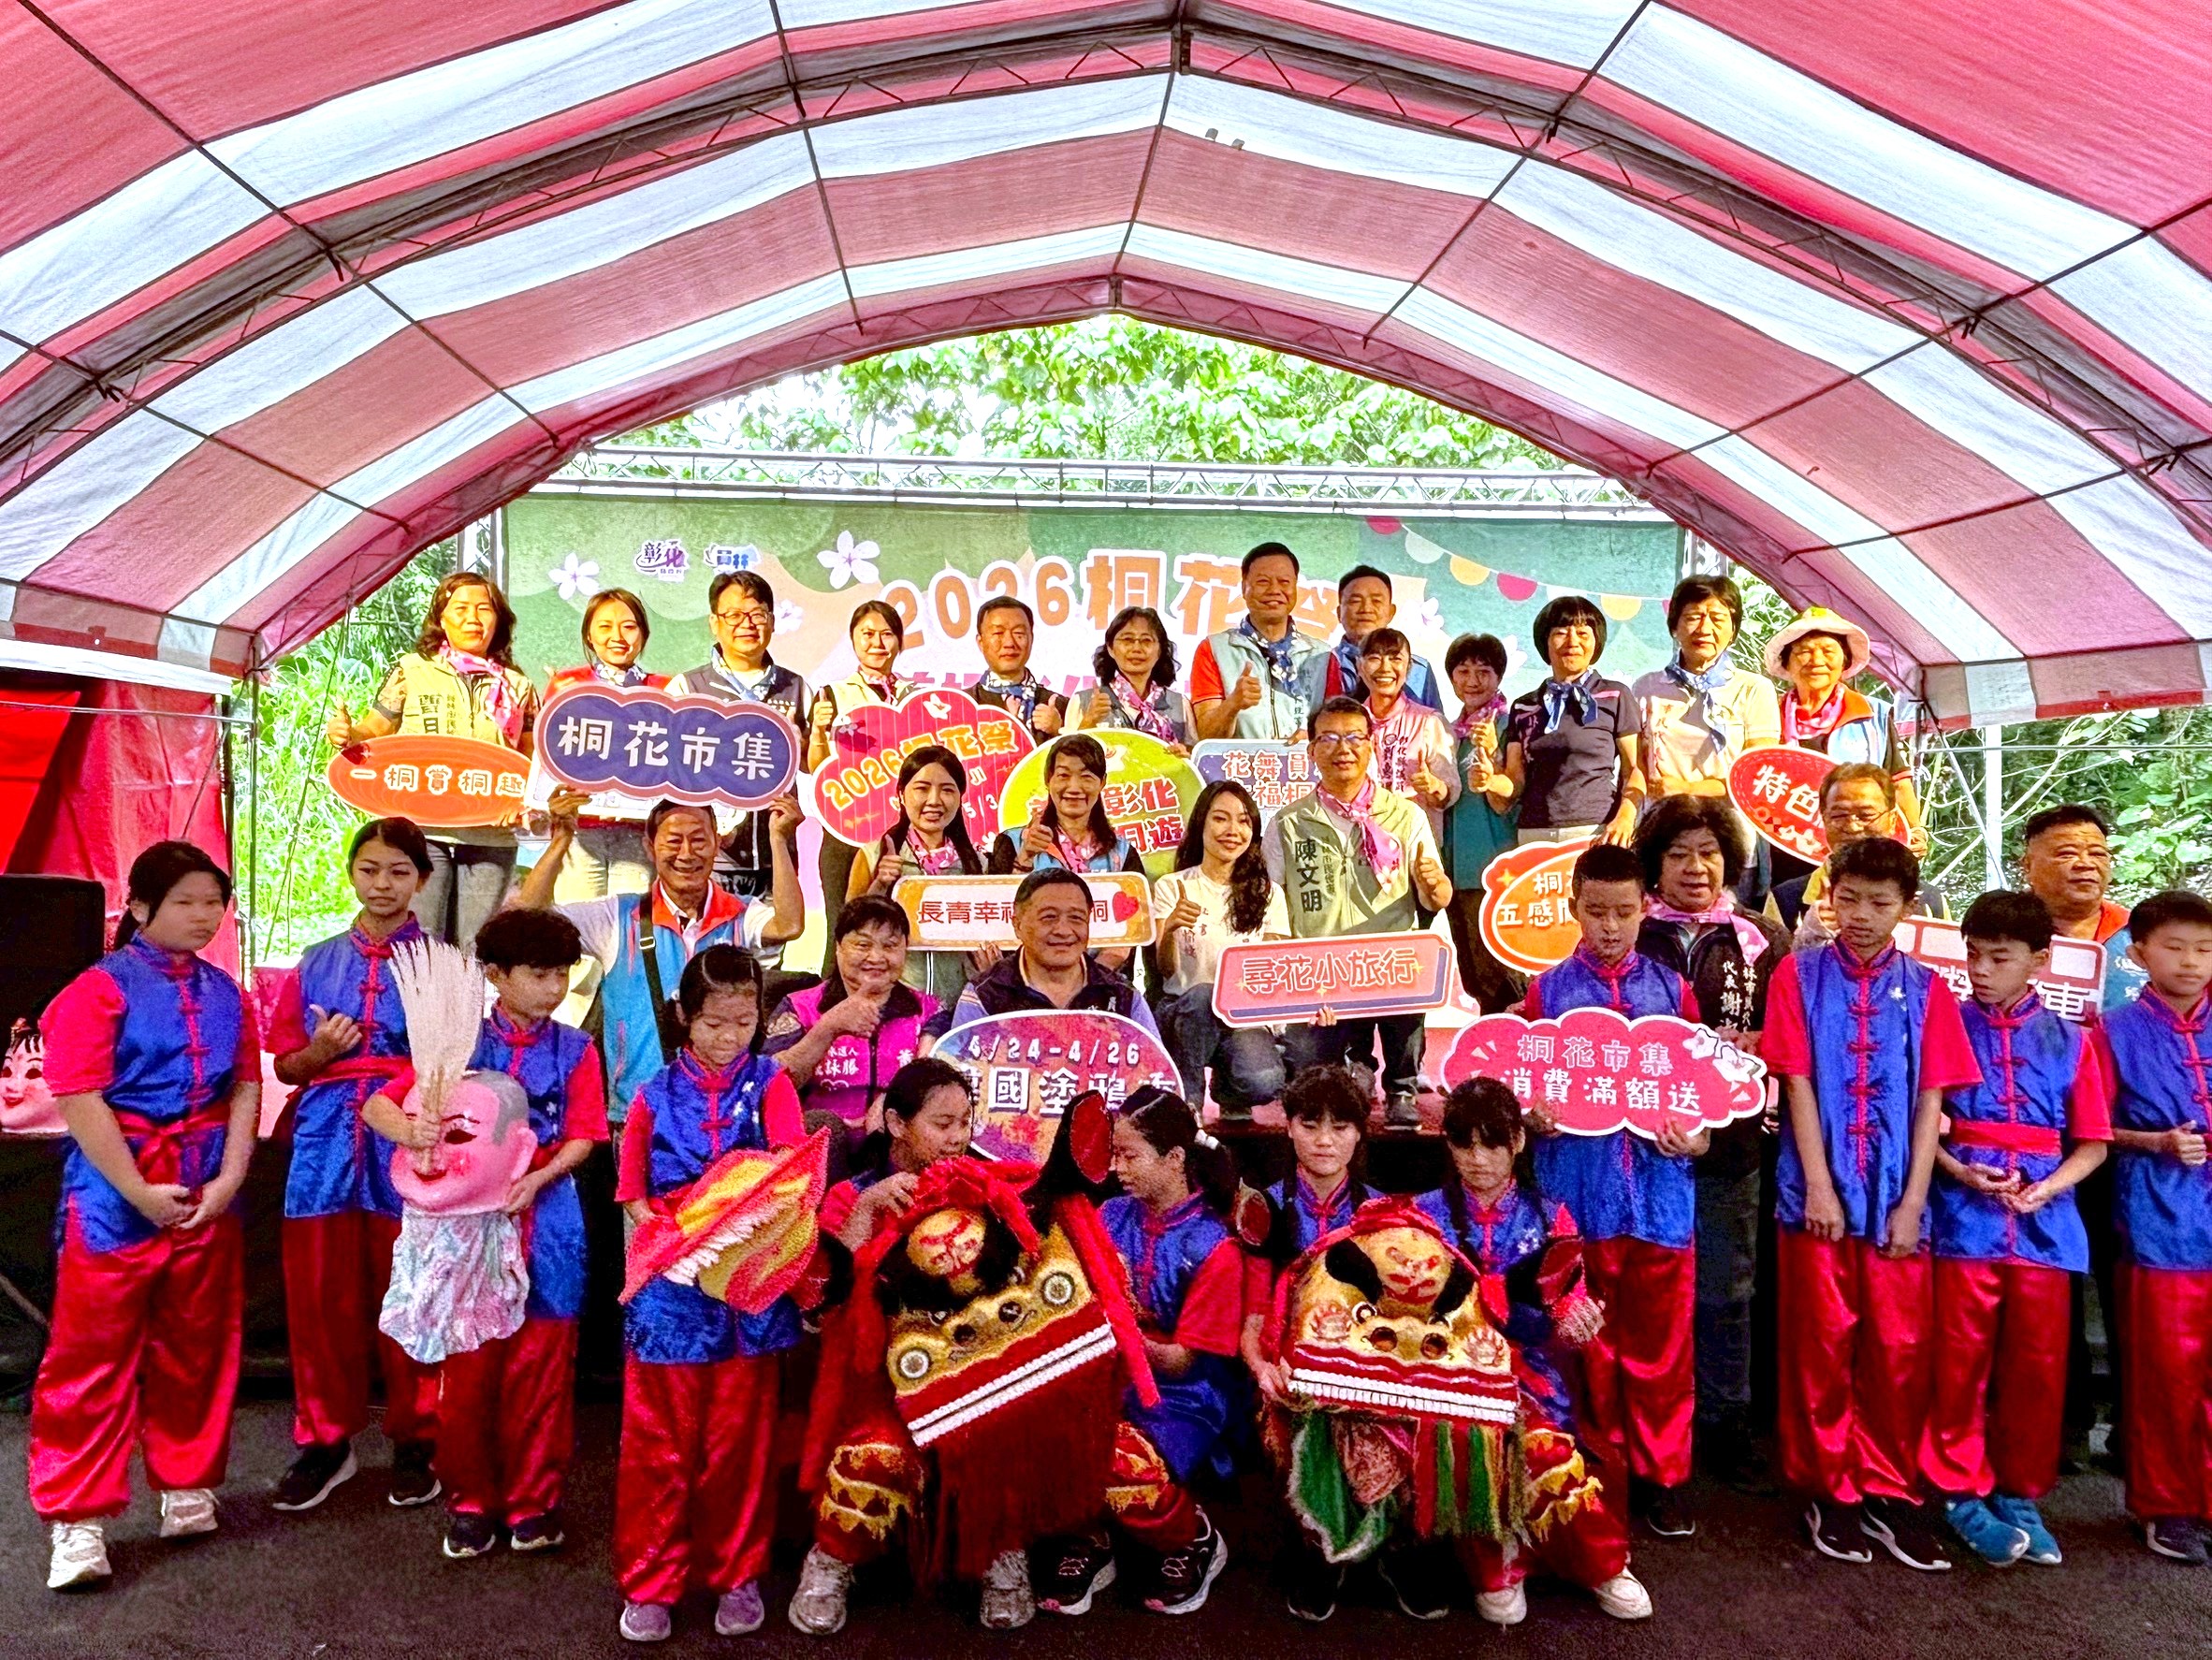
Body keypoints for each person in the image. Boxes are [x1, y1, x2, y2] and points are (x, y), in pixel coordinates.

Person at [31, 842, 261, 1592]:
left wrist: (231, 1177)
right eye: (186, 901)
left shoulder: (229, 994)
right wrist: (135, 1191)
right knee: (90, 1358)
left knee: (196, 1344)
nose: (203, 915)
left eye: (213, 902)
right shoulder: (96, 991)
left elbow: (245, 1087)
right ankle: (77, 1519)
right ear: (138, 907)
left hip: (204, 1184)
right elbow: (78, 1098)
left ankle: (186, 1483)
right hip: (113, 1193)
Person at [1758, 836, 1982, 1571]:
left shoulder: (1929, 988)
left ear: (1907, 908)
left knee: (1898, 1348)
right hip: (1815, 1192)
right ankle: (1829, 1490)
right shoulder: (1796, 975)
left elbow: (1932, 1101)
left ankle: (1888, 1488)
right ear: (1829, 894)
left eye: (1879, 903)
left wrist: (1915, 1202)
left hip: (1898, 1197)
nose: (1860, 915)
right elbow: (1794, 1080)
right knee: (1821, 1346)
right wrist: (1818, 1184)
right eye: (1847, 898)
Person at [363, 908, 606, 1560]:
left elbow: (584, 1134)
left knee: (541, 1370)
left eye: (562, 974)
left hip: (547, 1221)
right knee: (468, 1372)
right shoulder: (456, 1040)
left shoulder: (576, 1049)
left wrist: (541, 1175)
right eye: (539, 974)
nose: (554, 988)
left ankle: (533, 1502)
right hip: (465, 1227)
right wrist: (411, 1131)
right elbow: (379, 1104)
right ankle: (470, 1502)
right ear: (495, 975)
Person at [613, 946, 806, 1643]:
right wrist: (679, 1243)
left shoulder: (772, 1084)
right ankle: (650, 1581)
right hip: (670, 1289)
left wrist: (742, 1235)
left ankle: (737, 1573)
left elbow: (792, 1177)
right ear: (683, 1018)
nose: (730, 1038)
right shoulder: (651, 1096)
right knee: (658, 1444)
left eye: (743, 1023)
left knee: (739, 1444)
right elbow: (633, 1195)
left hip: (748, 1287)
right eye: (714, 1024)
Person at [1414, 1079, 1651, 1624]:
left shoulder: (1551, 1218)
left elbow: (1568, 1303)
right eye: (1464, 1143)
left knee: (1541, 1447)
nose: (1478, 1158)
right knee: (1470, 1439)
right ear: (1448, 1144)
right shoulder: (1422, 1218)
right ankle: (1499, 1563)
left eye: (1491, 1143)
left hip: (1532, 1374)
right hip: (1446, 1374)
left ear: (1518, 1142)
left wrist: (1575, 1325)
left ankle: (1603, 1564)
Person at [1521, 842, 1705, 1538]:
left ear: (1644, 908)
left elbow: (1705, 1097)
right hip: (1578, 1202)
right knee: (1584, 1347)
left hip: (1662, 1200)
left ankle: (1662, 1477)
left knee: (1662, 1350)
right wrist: (1532, 1116)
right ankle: (1592, 1472)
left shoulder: (1674, 992)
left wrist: (1697, 1138)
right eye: (1596, 911)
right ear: (1573, 908)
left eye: (1624, 912)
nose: (1610, 926)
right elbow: (1522, 1092)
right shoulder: (1544, 994)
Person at [1923, 892, 2108, 1569]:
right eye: (1973, 955)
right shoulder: (1943, 1024)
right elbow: (1921, 1123)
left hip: (2047, 1228)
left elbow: (2093, 1142)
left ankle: (2020, 1492)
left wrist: (2049, 1188)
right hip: (1961, 1221)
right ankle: (1957, 1489)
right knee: (1958, 1364)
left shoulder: (2072, 1039)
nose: (1980, 970)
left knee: (2036, 1370)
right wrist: (1959, 1171)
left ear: (2039, 959)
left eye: (1999, 958)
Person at [265, 819, 441, 1514]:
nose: (383, 884)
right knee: (319, 1296)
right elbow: (286, 1064)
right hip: (324, 1143)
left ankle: (417, 1437)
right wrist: (321, 1053)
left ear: (421, 879)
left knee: (413, 1291)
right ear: (351, 873)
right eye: (369, 869)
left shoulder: (443, 965)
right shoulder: (314, 961)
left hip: (410, 1139)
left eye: (399, 871)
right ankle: (325, 1441)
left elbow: (459, 1061)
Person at [1632, 797, 1786, 1492]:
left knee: (1728, 1291)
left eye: (1709, 853)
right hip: (1645, 1148)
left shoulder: (1762, 938)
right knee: (1652, 1296)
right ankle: (1655, 1429)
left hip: (1731, 1147)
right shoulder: (1632, 932)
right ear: (1654, 865)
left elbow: (1790, 1037)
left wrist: (1759, 1046)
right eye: (1678, 854)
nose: (1696, 868)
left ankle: (1727, 1426)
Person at [1037, 1092, 1241, 1618]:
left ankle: (1192, 1537)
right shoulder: (1110, 1214)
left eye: (1130, 1156)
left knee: (1114, 1452)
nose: (1117, 1168)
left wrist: (1115, 1328)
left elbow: (1181, 1362)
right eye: (1114, 1154)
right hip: (1106, 1378)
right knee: (1040, 1428)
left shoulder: (1213, 1245)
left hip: (1182, 1399)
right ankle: (1091, 1536)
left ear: (1174, 1159)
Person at [517, 792, 805, 1125]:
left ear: (717, 844)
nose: (686, 854)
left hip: (723, 1114)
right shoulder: (618, 917)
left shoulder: (739, 915)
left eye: (699, 840)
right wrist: (561, 840)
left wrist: (778, 839)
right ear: (649, 848)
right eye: (674, 841)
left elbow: (789, 925)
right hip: (636, 1113)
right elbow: (528, 922)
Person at [1264, 697, 1453, 1126]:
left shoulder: (1405, 815)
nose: (1343, 749)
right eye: (1329, 738)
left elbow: (1437, 897)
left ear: (1371, 746)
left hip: (1388, 962)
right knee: (1311, 1067)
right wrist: (1286, 977)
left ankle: (1401, 1088)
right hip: (1321, 969)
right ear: (1312, 750)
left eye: (1354, 737)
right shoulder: (1289, 822)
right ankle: (1355, 1070)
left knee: (1411, 982)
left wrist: (1434, 886)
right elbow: (1273, 904)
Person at [2093, 888, 2212, 1563]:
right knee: (2165, 1370)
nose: (2191, 962)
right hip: (2157, 1216)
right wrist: (2157, 1142)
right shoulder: (2113, 1030)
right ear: (2138, 954)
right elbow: (2093, 1128)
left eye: (2204, 949)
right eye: (2175, 948)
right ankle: (2166, 1506)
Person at [327, 571, 539, 946]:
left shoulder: (518, 686)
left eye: (484, 609)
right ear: (441, 618)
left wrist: (523, 801)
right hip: (421, 830)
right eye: (461, 608)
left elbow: (530, 759)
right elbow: (375, 729)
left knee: (478, 944)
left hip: (492, 831)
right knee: (420, 941)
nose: (473, 618)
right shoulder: (411, 671)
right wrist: (348, 735)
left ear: (499, 619)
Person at [666, 572, 810, 907]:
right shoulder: (686, 689)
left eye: (757, 614)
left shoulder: (797, 687)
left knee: (775, 940)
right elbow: (669, 772)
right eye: (733, 615)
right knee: (708, 940)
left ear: (771, 621)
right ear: (714, 623)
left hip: (777, 851)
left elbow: (809, 764)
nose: (747, 624)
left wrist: (805, 745)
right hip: (709, 858)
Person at [1150, 781, 1288, 1120]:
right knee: (1202, 996)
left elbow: (1274, 970)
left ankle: (1229, 1087)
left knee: (1264, 1082)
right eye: (1220, 818)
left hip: (1242, 1016)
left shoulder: (1268, 893)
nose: (1232, 830)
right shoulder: (1173, 886)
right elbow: (1167, 970)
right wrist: (1170, 930)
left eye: (1243, 821)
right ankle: (1188, 1105)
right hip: (1183, 1010)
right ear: (1201, 823)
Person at [1765, 606, 1927, 891]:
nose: (1816, 660)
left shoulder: (1874, 714)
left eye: (1828, 651)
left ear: (1845, 661)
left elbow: (1899, 783)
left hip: (1861, 851)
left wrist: (1914, 830)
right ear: (1787, 662)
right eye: (1804, 652)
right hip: (1785, 849)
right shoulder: (1767, 716)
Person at [762, 896, 937, 1134]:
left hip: (897, 1141)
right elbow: (767, 1083)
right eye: (863, 945)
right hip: (818, 1140)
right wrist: (829, 1027)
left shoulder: (930, 1011)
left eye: (890, 946)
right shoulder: (799, 1007)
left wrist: (892, 1097)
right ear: (838, 947)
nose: (876, 958)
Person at [933, 868, 1161, 1040]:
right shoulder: (985, 995)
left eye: (1076, 918)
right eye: (1049, 917)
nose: (1063, 930)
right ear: (1018, 925)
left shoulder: (1121, 996)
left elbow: (1155, 1075)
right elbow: (962, 1075)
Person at [1488, 595, 1643, 847]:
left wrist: (1625, 817)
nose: (1572, 642)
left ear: (1596, 642)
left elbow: (1635, 769)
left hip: (1595, 830)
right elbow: (1516, 780)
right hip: (1533, 834)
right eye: (1561, 633)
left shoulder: (1615, 695)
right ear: (1545, 642)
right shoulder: (1524, 706)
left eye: (1583, 634)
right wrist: (1490, 779)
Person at [985, 734, 1145, 974]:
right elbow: (1000, 916)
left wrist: (1087, 979)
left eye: (1086, 777)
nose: (1074, 787)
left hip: (1102, 982)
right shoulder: (1013, 843)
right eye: (1063, 775)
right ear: (1048, 779)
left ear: (1102, 782)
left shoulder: (1122, 853)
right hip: (1028, 982)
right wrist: (1026, 858)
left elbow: (1130, 932)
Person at [847, 744, 991, 1008]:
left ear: (960, 797)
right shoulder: (874, 855)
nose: (934, 800)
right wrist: (880, 884)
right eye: (922, 788)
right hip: (893, 1004)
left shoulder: (977, 864)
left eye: (947, 790)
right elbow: (849, 930)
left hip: (960, 1006)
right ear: (902, 795)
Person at [545, 588, 666, 901]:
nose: (618, 637)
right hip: (579, 829)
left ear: (644, 634)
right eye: (605, 626)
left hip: (638, 831)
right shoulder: (566, 685)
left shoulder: (666, 690)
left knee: (630, 921)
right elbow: (550, 758)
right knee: (578, 921)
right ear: (589, 635)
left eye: (629, 626)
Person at [807, 600, 910, 954]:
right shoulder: (832, 695)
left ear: (899, 641)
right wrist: (818, 731)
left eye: (887, 634)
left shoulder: (915, 696)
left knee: (897, 924)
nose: (877, 643)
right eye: (867, 634)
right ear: (853, 639)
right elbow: (818, 768)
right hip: (847, 830)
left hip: (899, 833)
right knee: (842, 928)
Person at [1632, 575, 1779, 804]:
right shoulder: (1646, 687)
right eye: (1693, 617)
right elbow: (1634, 767)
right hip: (1660, 817)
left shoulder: (1754, 689)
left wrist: (1690, 789)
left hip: (1727, 820)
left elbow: (1758, 773)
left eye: (1717, 619)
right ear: (1674, 627)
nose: (1704, 628)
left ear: (1733, 630)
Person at [1767, 763, 1949, 942]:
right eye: (1839, 815)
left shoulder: (1930, 902)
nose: (1852, 827)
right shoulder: (1785, 900)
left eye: (1866, 815)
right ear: (1824, 819)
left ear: (1892, 819)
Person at [816, 1056, 977, 1251]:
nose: (958, 1137)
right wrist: (866, 1208)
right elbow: (832, 1270)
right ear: (896, 1123)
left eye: (964, 1123)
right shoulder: (849, 1196)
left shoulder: (977, 1189)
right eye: (943, 1124)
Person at [1441, 633, 1520, 1012]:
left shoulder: (1510, 726)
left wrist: (1493, 753)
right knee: (1474, 975)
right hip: (1454, 870)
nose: (1472, 681)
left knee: (1504, 976)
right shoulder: (1447, 732)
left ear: (1499, 676)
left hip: (1494, 867)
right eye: (1463, 671)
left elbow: (1510, 795)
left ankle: (1516, 1043)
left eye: (1483, 671)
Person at [1189, 542, 1325, 741]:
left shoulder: (1323, 655)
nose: (1274, 590)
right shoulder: (1214, 649)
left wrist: (1315, 736)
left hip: (1305, 761)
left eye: (1284, 582)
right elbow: (1206, 737)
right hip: (1240, 762)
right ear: (1244, 588)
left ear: (1295, 587)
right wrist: (1232, 704)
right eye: (1263, 582)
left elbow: (1340, 727)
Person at [2018, 802, 2147, 1012]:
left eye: (2097, 854)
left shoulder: (2141, 933)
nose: (2086, 864)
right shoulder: (1995, 932)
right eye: (2066, 854)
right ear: (2027, 865)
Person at [1360, 627, 1458, 849]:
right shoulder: (1350, 724)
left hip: (1415, 848)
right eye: (1374, 658)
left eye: (1395, 659)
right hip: (1361, 848)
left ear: (1409, 667)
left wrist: (1433, 786)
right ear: (1359, 667)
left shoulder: (1429, 721)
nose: (1385, 668)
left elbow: (1448, 793)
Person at [1302, 564, 1442, 709]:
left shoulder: (1419, 670)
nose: (1366, 609)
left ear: (1391, 612)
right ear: (1339, 613)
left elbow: (1435, 721)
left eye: (1376, 601)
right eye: (1355, 601)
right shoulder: (1320, 666)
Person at [1075, 604, 1193, 749]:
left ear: (1160, 650)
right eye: (1127, 640)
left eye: (1146, 640)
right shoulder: (1083, 701)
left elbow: (1196, 756)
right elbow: (1065, 755)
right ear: (1110, 648)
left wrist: (1184, 755)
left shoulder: (1180, 704)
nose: (1136, 648)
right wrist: (1089, 721)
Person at [969, 595, 1067, 738]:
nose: (1009, 643)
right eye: (998, 633)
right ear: (981, 642)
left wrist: (1058, 732)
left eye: (1018, 633)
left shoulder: (1060, 706)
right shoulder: (962, 706)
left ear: (1031, 638)